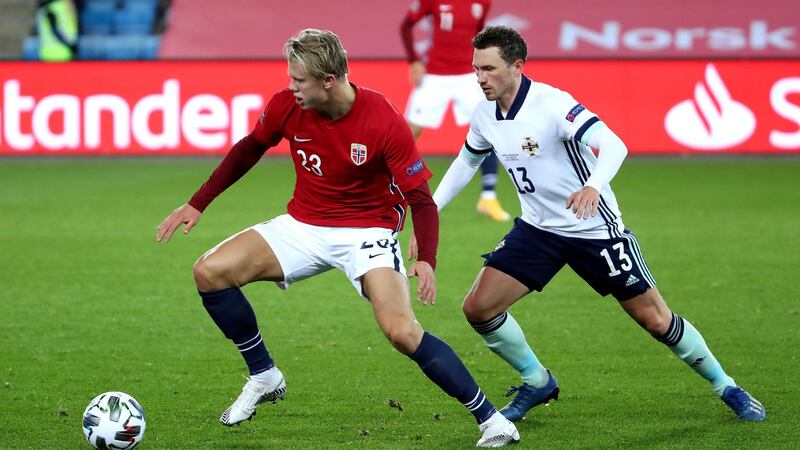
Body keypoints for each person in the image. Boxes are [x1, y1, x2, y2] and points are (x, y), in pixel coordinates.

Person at [156, 29, 519, 447]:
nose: (290, 87)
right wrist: (197, 203)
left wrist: (427, 259)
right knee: (209, 272)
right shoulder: (286, 106)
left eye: (299, 80)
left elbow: (421, 198)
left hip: (367, 232)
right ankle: (264, 375)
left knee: (401, 331)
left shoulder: (382, 119)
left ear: (328, 80)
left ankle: (492, 420)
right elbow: (248, 149)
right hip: (304, 226)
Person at [411, 25, 766, 423]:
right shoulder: (483, 114)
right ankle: (537, 379)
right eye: (476, 69)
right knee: (479, 308)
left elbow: (615, 144)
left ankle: (726, 385)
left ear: (517, 66)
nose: (479, 79)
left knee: (655, 319)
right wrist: (432, 208)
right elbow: (467, 162)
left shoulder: (553, 104)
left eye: (489, 69)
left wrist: (594, 186)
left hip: (593, 229)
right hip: (538, 229)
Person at [400, 0, 510, 222]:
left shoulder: (482, 3)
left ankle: (488, 197)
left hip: (468, 76)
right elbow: (406, 25)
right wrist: (414, 62)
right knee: (408, 133)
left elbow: (481, 37)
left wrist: (485, 67)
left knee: (489, 128)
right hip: (434, 75)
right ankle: (383, 188)